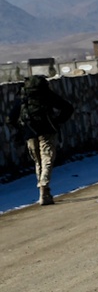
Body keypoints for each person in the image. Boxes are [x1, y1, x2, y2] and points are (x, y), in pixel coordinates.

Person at [8, 73, 74, 205]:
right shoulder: (47, 95)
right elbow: (68, 108)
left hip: (29, 132)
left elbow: (11, 118)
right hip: (47, 130)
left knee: (38, 162)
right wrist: (57, 121)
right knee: (47, 159)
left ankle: (44, 193)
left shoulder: (22, 97)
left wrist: (21, 129)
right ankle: (44, 185)